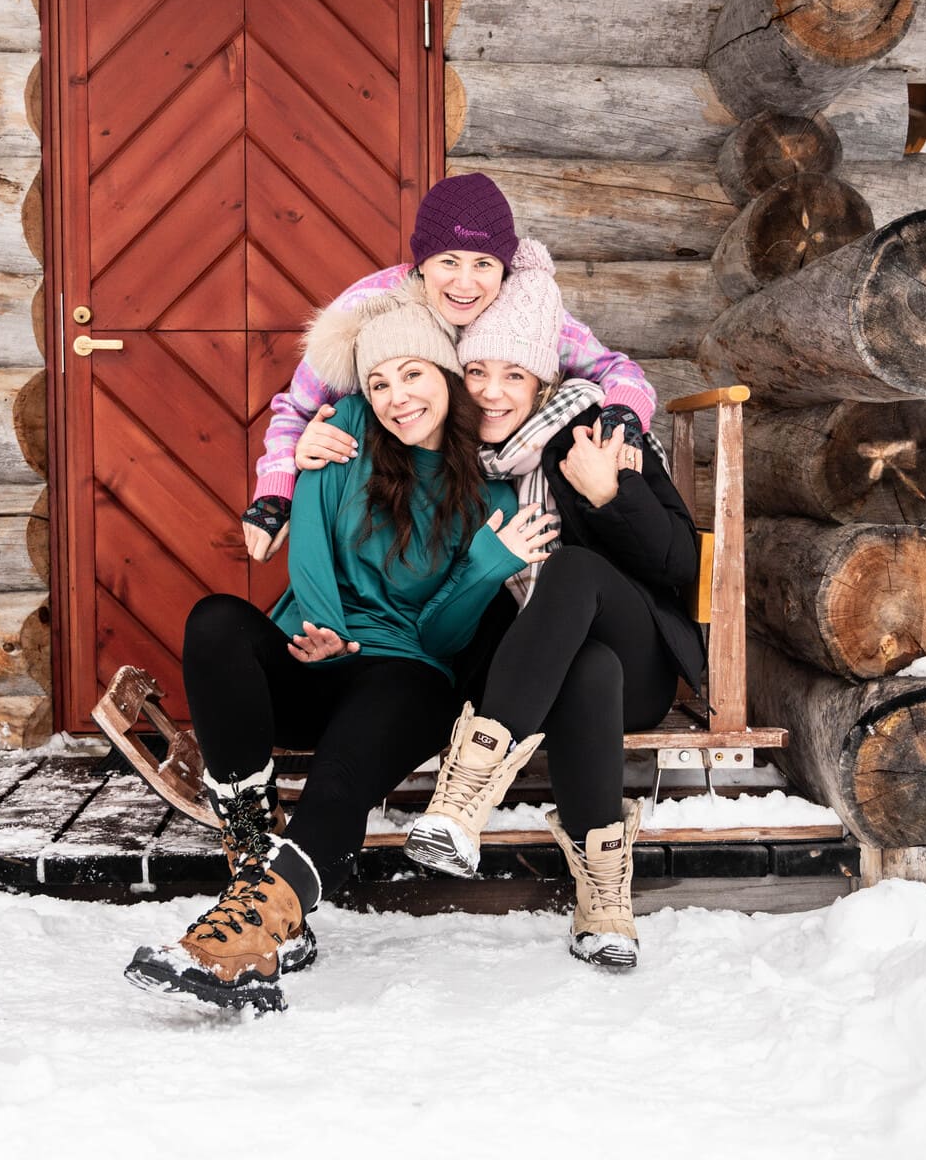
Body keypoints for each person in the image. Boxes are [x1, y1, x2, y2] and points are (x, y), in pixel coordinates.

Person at [122, 282, 556, 1013]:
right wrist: (319, 631)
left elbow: (441, 636)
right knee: (217, 621)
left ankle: (254, 930)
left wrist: (488, 563)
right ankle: (254, 851)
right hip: (315, 656)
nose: (396, 396)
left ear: (448, 379)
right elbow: (312, 544)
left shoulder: (492, 500)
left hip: (407, 677)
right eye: (380, 381)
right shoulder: (341, 432)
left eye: (413, 374)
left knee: (343, 774)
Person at [402, 240, 705, 970]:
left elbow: (682, 566)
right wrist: (487, 565)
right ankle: (604, 900)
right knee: (584, 668)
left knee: (571, 571)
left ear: (544, 381)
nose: (493, 392)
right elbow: (436, 611)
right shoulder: (441, 459)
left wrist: (612, 495)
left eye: (515, 374)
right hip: (536, 672)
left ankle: (461, 799)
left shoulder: (598, 432)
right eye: (475, 371)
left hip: (643, 665)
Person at [239, 172, 657, 562]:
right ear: (422, 261)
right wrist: (276, 491)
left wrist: (622, 416)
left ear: (504, 268)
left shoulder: (522, 312)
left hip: (489, 493)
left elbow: (618, 369)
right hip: (392, 494)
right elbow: (295, 407)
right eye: (449, 261)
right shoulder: (370, 306)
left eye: (484, 264)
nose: (465, 284)